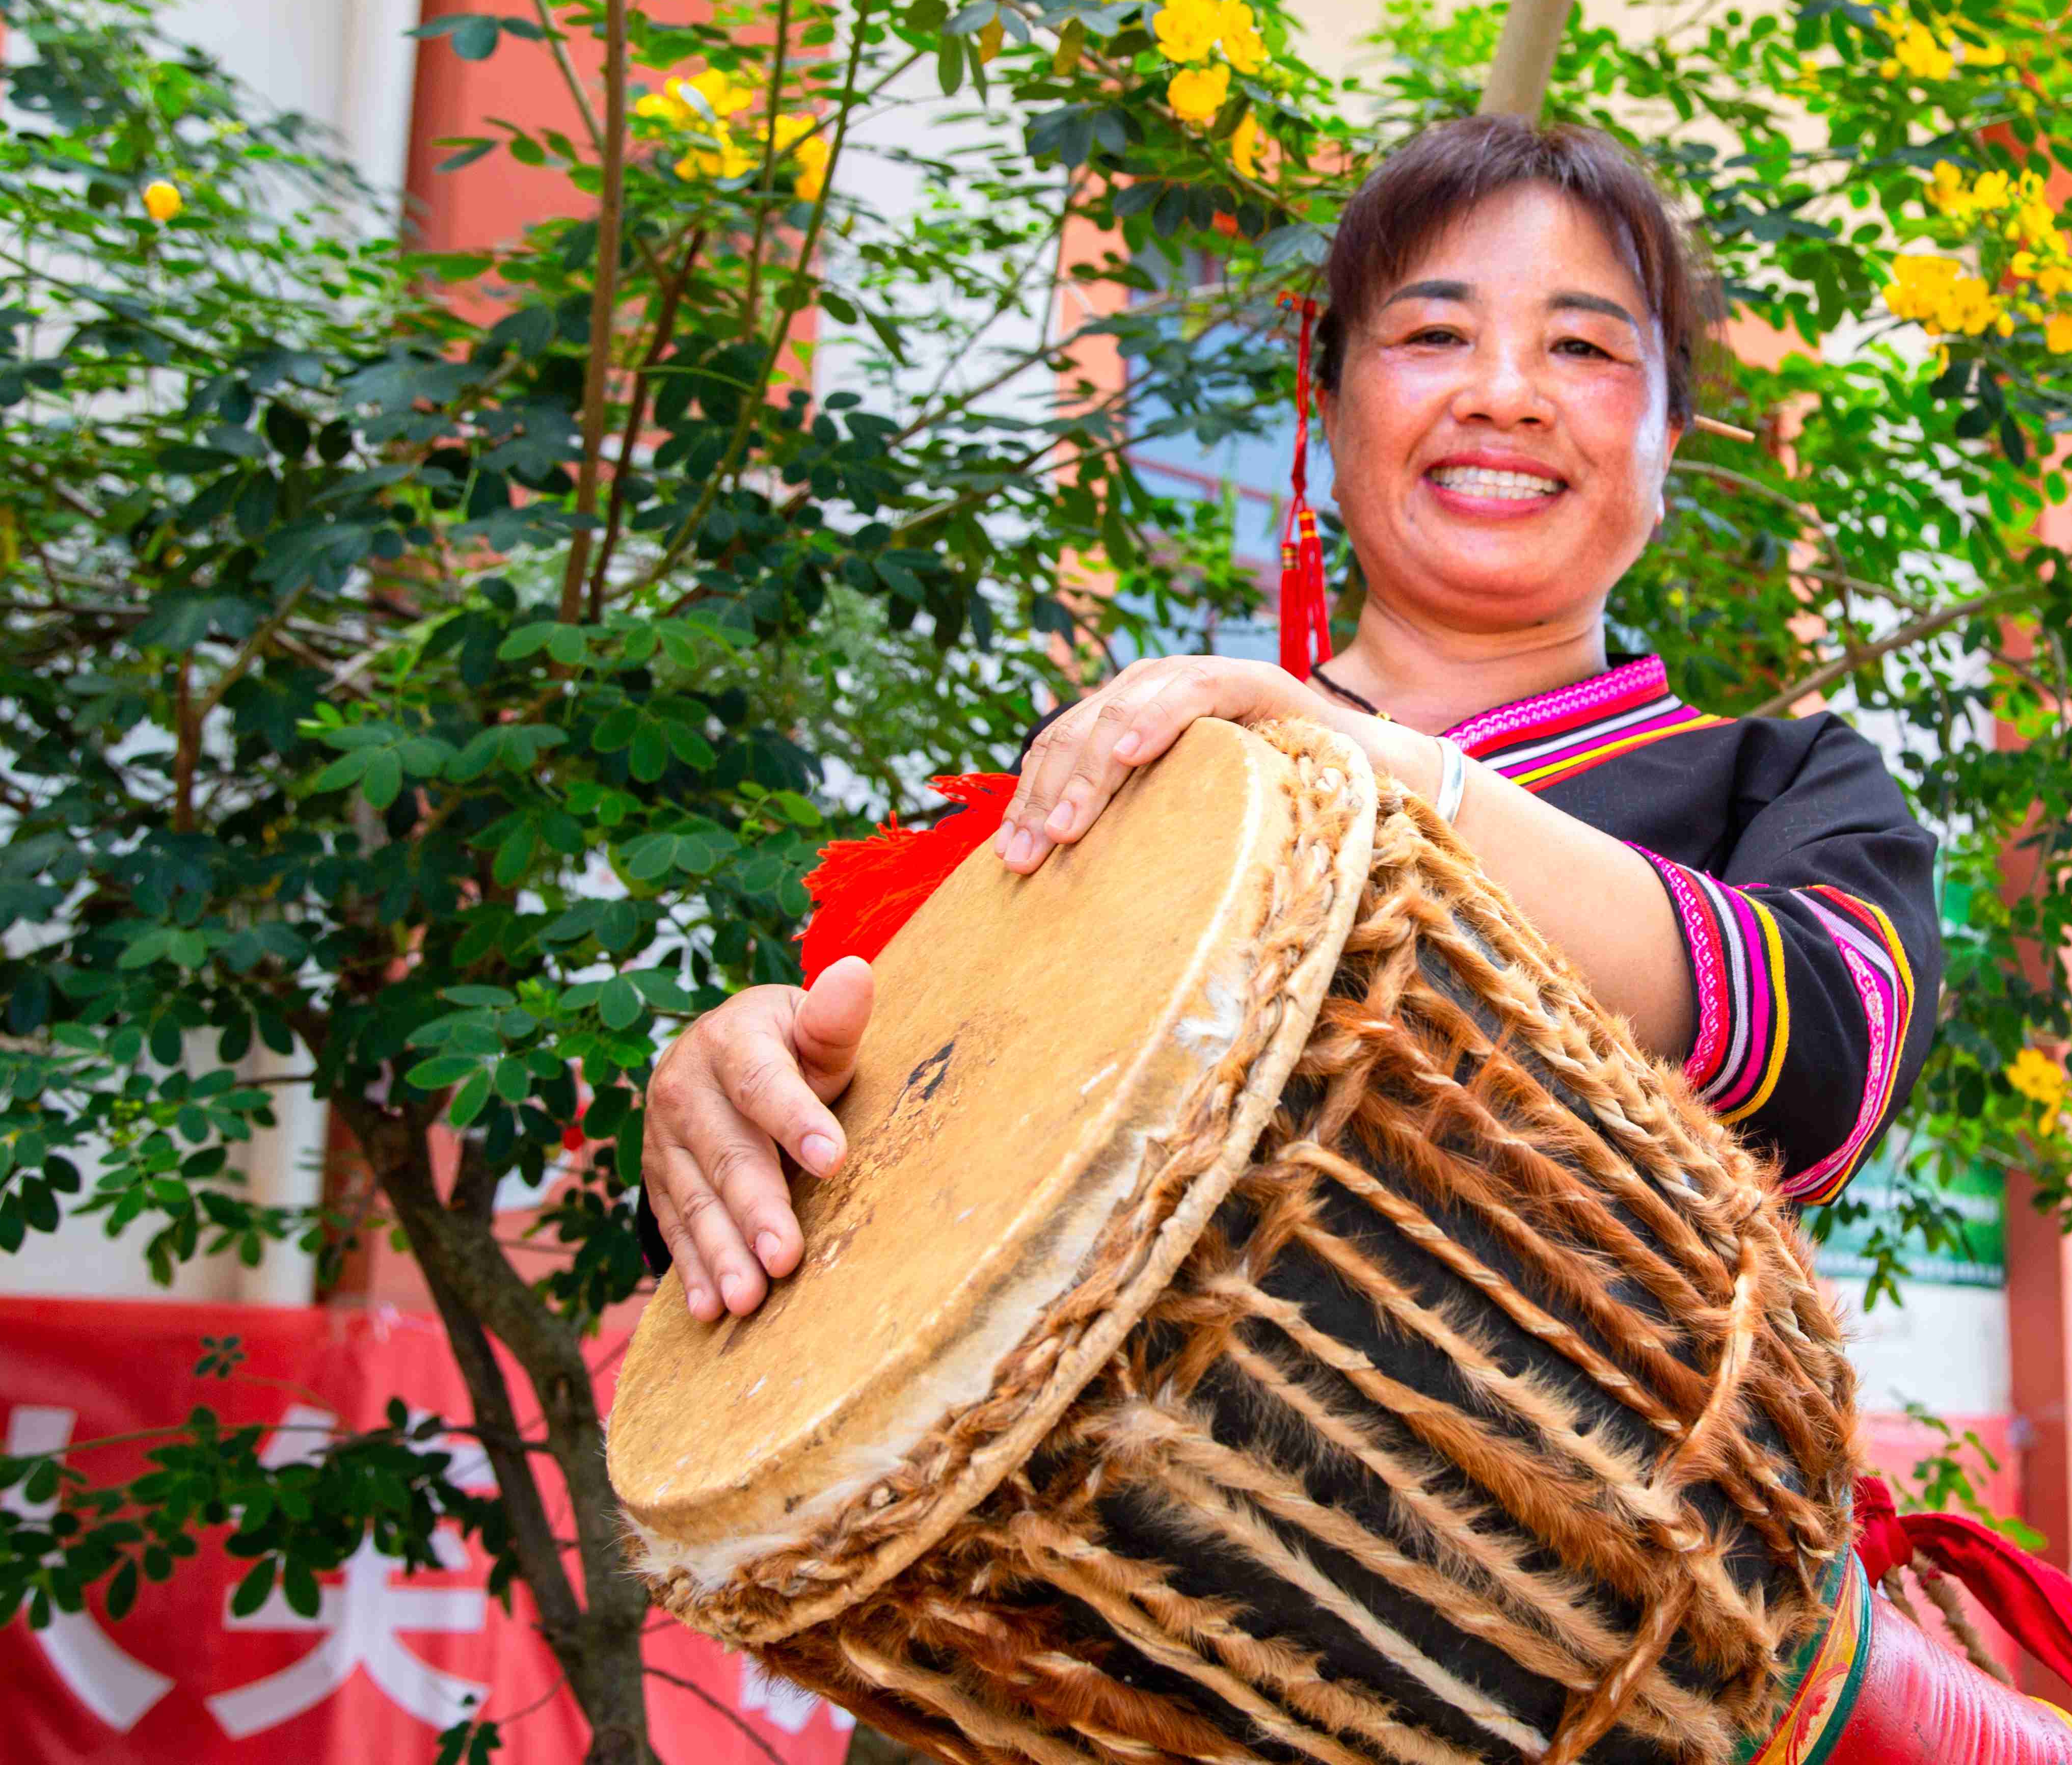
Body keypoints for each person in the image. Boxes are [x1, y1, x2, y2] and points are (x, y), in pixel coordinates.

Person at [638, 115, 1942, 1324]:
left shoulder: (1783, 781)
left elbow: (1832, 1059)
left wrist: (1353, 770)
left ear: (1672, 438)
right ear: (1326, 410)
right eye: (1433, 337)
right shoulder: (1137, 761)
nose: (1503, 393)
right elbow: (893, 1128)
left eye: (1586, 350)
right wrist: (746, 1086)